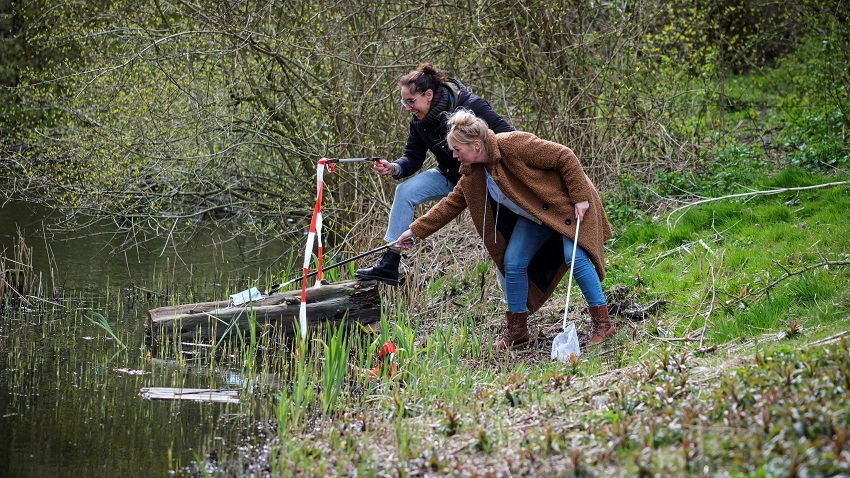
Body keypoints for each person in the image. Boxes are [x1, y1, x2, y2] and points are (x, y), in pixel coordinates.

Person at [395, 110, 615, 349]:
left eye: (458, 150)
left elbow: (564, 155)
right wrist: (415, 231)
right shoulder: (472, 174)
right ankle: (518, 331)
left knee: (575, 257)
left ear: (476, 145)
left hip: (570, 203)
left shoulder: (513, 144)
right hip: (537, 215)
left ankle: (603, 325)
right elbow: (451, 205)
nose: (454, 155)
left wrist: (580, 196)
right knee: (513, 261)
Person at [354, 63, 514, 285]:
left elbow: (509, 137)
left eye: (411, 101)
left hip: (483, 179)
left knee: (500, 244)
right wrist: (394, 167)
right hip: (448, 176)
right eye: (404, 102)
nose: (408, 108)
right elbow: (412, 157)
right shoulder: (419, 121)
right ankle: (390, 262)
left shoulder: (471, 106)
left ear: (428, 95)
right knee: (404, 191)